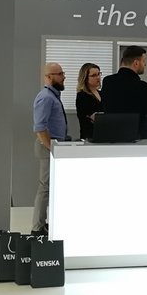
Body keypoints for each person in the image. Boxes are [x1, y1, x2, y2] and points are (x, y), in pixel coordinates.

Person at [32, 62, 67, 235]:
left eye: (63, 73)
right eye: (59, 74)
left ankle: (44, 224)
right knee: (45, 188)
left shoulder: (53, 96)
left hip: (53, 146)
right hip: (48, 147)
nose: (63, 77)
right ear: (48, 77)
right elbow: (40, 128)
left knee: (49, 188)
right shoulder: (46, 97)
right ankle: (37, 228)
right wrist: (52, 148)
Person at [100, 45, 147, 138]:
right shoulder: (143, 87)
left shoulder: (107, 81)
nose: (145, 64)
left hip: (111, 136)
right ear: (136, 63)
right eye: (144, 61)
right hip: (135, 137)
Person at [75, 62, 103, 141]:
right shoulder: (82, 95)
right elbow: (84, 118)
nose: (98, 77)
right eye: (94, 75)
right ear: (85, 78)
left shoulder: (102, 93)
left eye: (99, 74)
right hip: (89, 135)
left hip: (103, 133)